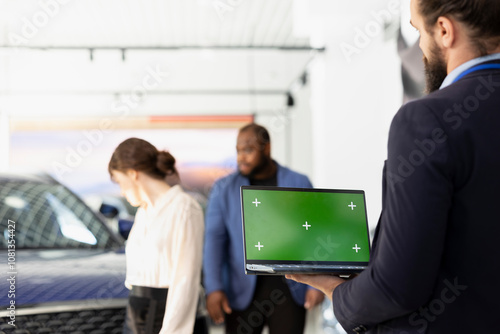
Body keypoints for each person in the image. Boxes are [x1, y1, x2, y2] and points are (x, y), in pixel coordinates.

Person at [287, 0, 500, 333]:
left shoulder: (427, 119)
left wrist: (338, 292)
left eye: (418, 31)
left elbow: (397, 288)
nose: (419, 48)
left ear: (444, 30)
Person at [203, 123, 324, 334]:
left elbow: (313, 234)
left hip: (288, 288)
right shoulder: (223, 189)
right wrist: (214, 288)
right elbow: (214, 240)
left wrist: (316, 284)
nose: (241, 157)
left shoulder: (298, 181)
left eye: (248, 150)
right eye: (238, 150)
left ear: (266, 148)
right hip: (241, 290)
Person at [108, 138, 204, 334]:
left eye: (119, 181)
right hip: (137, 315)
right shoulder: (144, 212)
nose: (121, 190)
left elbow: (185, 281)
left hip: (168, 318)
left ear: (133, 174)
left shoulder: (184, 208)